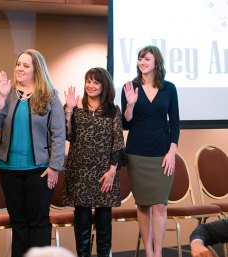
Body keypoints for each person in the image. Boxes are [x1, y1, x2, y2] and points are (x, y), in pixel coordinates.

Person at [0, 49, 66, 257]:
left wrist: (54, 167)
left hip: (40, 169)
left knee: (39, 222)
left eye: (25, 65)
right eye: (18, 64)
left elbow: (59, 134)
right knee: (18, 223)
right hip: (8, 168)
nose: (19, 69)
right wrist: (1, 99)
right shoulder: (7, 93)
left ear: (36, 70)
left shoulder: (50, 96)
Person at [121, 45, 180, 257]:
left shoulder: (169, 88)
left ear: (156, 62)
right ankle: (148, 252)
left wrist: (172, 150)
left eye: (146, 58)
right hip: (137, 153)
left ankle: (158, 252)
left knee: (160, 205)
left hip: (162, 153)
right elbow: (126, 123)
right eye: (140, 59)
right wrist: (130, 105)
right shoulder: (130, 87)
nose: (142, 62)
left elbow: (175, 122)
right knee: (144, 205)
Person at [63, 67, 126, 257]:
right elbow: (67, 135)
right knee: (81, 225)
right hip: (79, 173)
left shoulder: (113, 111)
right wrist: (68, 110)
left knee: (104, 227)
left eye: (96, 82)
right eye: (88, 81)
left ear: (104, 85)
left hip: (104, 175)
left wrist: (112, 172)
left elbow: (118, 143)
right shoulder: (76, 108)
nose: (91, 85)